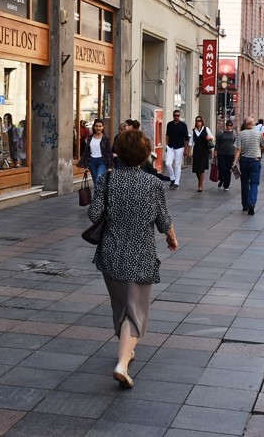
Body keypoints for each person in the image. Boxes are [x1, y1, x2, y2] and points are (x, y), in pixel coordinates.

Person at [88, 130, 178, 389]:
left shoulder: (107, 179)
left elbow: (94, 215)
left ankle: (126, 351)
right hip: (141, 253)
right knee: (136, 311)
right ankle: (122, 364)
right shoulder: (153, 184)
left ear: (118, 153)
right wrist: (172, 239)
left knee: (121, 307)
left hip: (111, 253)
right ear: (143, 154)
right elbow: (163, 220)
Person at [233, 117, 264, 215]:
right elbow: (263, 146)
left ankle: (245, 205)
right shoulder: (259, 134)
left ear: (245, 124)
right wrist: (261, 151)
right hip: (255, 160)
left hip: (244, 160)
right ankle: (251, 202)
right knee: (254, 183)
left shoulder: (240, 134)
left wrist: (234, 162)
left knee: (244, 182)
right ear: (253, 124)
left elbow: (238, 149)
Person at [78, 119, 115, 185]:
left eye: (100, 126)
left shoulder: (106, 138)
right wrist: (85, 165)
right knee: (95, 181)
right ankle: (98, 195)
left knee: (99, 179)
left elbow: (109, 152)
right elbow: (86, 152)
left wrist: (110, 166)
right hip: (92, 161)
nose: (98, 128)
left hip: (102, 161)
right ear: (94, 127)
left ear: (103, 127)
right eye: (96, 126)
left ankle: (101, 194)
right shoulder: (90, 138)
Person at [165, 110, 189, 189]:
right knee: (168, 163)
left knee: (177, 165)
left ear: (179, 116)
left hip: (179, 147)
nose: (176, 117)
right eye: (175, 115)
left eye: (178, 115)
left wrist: (186, 149)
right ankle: (172, 178)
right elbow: (167, 135)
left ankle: (176, 183)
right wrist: (167, 145)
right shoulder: (169, 124)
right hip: (170, 146)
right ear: (173, 115)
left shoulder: (183, 125)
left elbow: (186, 138)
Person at [189, 115, 214, 192]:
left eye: (199, 121)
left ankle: (200, 185)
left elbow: (212, 137)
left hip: (204, 150)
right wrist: (190, 151)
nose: (198, 122)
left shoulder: (206, 129)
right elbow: (191, 142)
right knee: (196, 169)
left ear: (202, 122)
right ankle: (200, 181)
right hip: (196, 150)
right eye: (197, 121)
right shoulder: (193, 131)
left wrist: (209, 138)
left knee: (201, 168)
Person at [214, 120, 237, 191]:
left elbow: (236, 144)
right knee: (221, 168)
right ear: (225, 125)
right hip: (221, 153)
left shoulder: (234, 133)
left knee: (229, 170)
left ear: (232, 126)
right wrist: (215, 152)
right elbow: (217, 143)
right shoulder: (221, 133)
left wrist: (237, 155)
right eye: (227, 125)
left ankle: (226, 185)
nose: (229, 127)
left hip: (231, 153)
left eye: (230, 125)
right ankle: (221, 179)